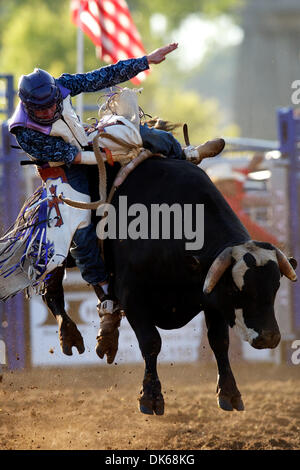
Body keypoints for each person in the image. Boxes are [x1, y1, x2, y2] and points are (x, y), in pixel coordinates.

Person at [6, 43, 224, 363]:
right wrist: (105, 156)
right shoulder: (22, 128)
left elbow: (100, 77)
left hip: (86, 143)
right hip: (64, 170)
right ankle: (104, 299)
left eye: (52, 105)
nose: (49, 111)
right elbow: (66, 157)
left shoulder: (60, 86)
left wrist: (144, 62)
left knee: (136, 134)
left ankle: (186, 154)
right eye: (42, 110)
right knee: (80, 227)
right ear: (28, 106)